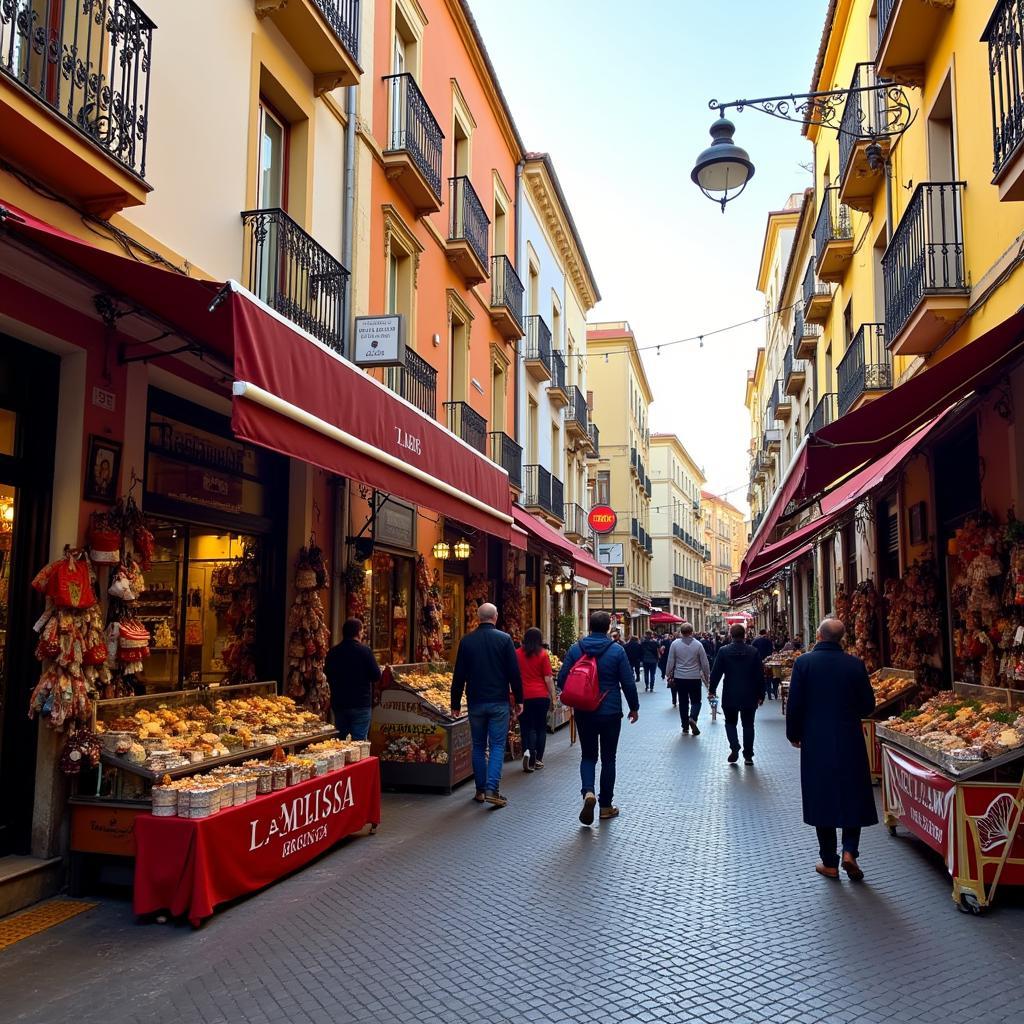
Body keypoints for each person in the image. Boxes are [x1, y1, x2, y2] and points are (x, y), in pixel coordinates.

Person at [786, 617, 878, 880]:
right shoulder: (855, 665)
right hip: (849, 737)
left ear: (819, 636)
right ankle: (850, 850)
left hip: (816, 740)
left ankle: (829, 861)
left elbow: (795, 704)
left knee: (821, 795)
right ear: (841, 638)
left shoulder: (804, 663)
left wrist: (794, 734)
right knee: (852, 792)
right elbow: (868, 705)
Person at [557, 610, 639, 825]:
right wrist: (634, 707)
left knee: (588, 756)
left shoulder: (577, 649)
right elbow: (628, 682)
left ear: (590, 626)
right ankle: (605, 806)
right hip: (610, 710)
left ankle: (588, 792)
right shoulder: (617, 650)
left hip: (585, 710)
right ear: (608, 628)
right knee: (609, 758)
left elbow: (562, 678)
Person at [451, 603, 523, 808]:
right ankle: (493, 789)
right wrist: (519, 699)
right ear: (496, 617)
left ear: (478, 617)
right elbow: (513, 673)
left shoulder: (467, 641)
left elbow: (459, 675)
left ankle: (480, 790)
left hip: (475, 701)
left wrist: (455, 702)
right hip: (498, 701)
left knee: (479, 745)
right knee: (497, 745)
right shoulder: (504, 640)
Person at [709, 624, 766, 765]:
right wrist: (761, 693)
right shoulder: (753, 651)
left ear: (730, 635)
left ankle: (734, 747)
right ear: (744, 634)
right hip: (749, 693)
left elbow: (716, 673)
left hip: (730, 692)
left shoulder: (723, 651)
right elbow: (760, 675)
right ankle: (748, 756)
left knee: (730, 723)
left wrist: (712, 690)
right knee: (748, 725)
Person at [324, 618, 381, 741]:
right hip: (361, 703)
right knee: (359, 742)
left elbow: (327, 674)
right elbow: (376, 675)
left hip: (340, 704)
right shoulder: (365, 651)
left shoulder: (333, 652)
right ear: (359, 633)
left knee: (342, 741)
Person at [516, 626, 556, 772]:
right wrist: (553, 697)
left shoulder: (517, 654)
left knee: (526, 727)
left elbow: (514, 676)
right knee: (540, 727)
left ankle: (528, 752)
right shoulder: (543, 654)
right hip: (541, 696)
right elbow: (548, 678)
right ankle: (538, 759)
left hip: (523, 696)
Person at [666, 622, 710, 736]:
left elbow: (670, 660)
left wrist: (668, 673)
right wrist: (707, 675)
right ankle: (693, 718)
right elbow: (704, 663)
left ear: (681, 632)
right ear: (692, 632)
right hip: (694, 677)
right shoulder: (698, 645)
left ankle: (685, 726)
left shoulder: (675, 644)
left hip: (680, 677)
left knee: (683, 702)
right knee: (696, 701)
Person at [752, 628, 776, 699]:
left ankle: (763, 689)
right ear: (765, 633)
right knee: (769, 676)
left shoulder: (755, 641)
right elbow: (771, 651)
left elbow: (752, 649)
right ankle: (769, 690)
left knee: (760, 675)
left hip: (758, 661)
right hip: (767, 661)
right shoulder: (768, 641)